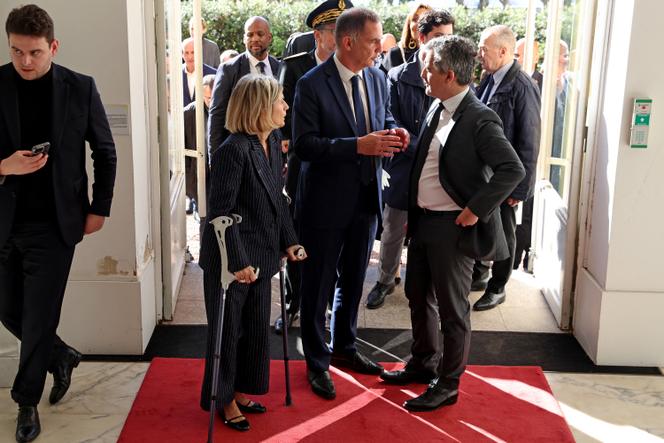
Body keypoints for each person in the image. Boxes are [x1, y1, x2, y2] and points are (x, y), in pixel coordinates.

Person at [383, 35, 524, 411]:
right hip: (424, 222)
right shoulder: (438, 105)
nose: (422, 74)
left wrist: (476, 209)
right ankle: (423, 363)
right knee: (418, 296)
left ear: (448, 74)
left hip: (453, 228)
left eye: (428, 68)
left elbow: (512, 169)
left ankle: (448, 384)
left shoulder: (479, 117)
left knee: (452, 310)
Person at [0, 5, 117, 442]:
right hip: (3, 220)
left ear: (53, 46)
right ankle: (61, 354)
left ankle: (26, 402)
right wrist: (4, 166)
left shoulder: (80, 88)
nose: (25, 61)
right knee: (8, 309)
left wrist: (99, 208)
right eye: (16, 51)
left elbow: (105, 152)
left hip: (54, 225)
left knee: (38, 315)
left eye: (34, 52)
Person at [292, 7, 409, 400]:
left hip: (366, 199)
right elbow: (305, 146)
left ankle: (344, 346)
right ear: (348, 42)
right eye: (374, 41)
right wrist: (357, 146)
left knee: (355, 280)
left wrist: (395, 132)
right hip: (324, 204)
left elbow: (383, 117)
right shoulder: (311, 84)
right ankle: (317, 363)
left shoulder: (377, 78)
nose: (380, 48)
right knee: (317, 286)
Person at [198, 74, 306, 432]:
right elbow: (221, 214)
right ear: (260, 107)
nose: (285, 106)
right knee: (228, 332)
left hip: (263, 254)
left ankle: (242, 390)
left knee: (257, 328)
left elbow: (277, 197)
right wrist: (238, 261)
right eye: (280, 100)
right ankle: (223, 399)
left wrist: (290, 240)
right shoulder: (232, 150)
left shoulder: (272, 141)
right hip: (231, 260)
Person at [366, 9, 455, 310]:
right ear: (421, 37)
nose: (445, 43)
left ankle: (429, 284)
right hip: (404, 164)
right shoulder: (397, 76)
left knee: (433, 231)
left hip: (439, 168)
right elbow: (391, 121)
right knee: (393, 229)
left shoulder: (451, 75)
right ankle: (385, 280)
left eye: (449, 37)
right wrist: (424, 147)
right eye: (439, 37)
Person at [273, 0, 353, 334]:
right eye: (336, 31)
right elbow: (282, 117)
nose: (344, 38)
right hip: (303, 166)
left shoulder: (355, 69)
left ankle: (327, 304)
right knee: (298, 235)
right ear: (318, 35)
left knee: (337, 245)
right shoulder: (295, 68)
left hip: (341, 168)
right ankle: (294, 302)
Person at [471, 25, 541, 311]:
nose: (479, 54)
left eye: (483, 49)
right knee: (483, 223)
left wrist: (520, 189)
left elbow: (529, 140)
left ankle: (498, 287)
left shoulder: (523, 86)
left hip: (505, 177)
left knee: (505, 231)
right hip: (485, 173)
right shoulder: (489, 78)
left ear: (502, 51)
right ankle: (480, 274)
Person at [208, 16, 280, 154]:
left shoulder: (280, 67)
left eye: (260, 34)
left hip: (273, 150)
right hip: (240, 151)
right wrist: (215, 156)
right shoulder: (229, 69)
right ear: (244, 38)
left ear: (269, 37)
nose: (255, 39)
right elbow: (217, 114)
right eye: (250, 35)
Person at [183, 74, 215, 217]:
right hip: (197, 175)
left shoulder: (224, 109)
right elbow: (182, 148)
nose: (212, 102)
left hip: (218, 174)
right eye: (208, 98)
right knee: (204, 216)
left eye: (214, 97)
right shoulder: (188, 114)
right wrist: (190, 179)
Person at [380, 2, 432, 73]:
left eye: (425, 19)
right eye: (415, 19)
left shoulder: (441, 54)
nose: (419, 23)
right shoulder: (395, 54)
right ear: (409, 25)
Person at [181, 37, 216, 108]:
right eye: (186, 53)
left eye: (193, 52)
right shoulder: (177, 74)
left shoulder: (213, 74)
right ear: (182, 54)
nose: (190, 57)